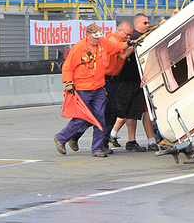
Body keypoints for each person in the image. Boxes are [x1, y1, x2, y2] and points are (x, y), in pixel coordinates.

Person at [54, 24, 133, 158]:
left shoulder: (102, 43)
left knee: (100, 117)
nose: (97, 40)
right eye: (95, 37)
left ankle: (97, 148)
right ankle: (61, 138)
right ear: (87, 35)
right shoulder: (78, 48)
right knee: (80, 118)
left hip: (98, 88)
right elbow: (67, 67)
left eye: (98, 37)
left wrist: (129, 43)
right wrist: (68, 82)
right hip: (82, 88)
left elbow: (116, 47)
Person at [110, 13, 159, 152]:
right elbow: (123, 54)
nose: (147, 25)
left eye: (148, 23)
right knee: (122, 112)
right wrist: (136, 44)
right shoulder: (130, 37)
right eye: (144, 23)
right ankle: (110, 134)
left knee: (133, 112)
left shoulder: (140, 36)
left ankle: (131, 141)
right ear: (136, 24)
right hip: (124, 79)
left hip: (137, 80)